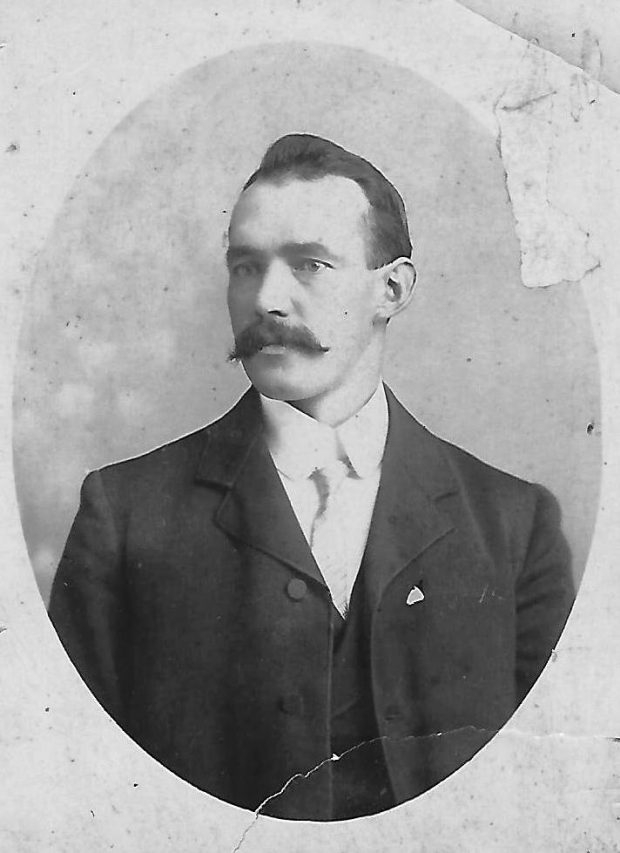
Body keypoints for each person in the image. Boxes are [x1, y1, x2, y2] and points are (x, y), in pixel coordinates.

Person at [49, 133, 575, 821]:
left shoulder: (513, 523)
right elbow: (70, 792)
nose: (266, 298)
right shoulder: (124, 514)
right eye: (245, 267)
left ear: (393, 288)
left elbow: (559, 796)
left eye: (309, 265)